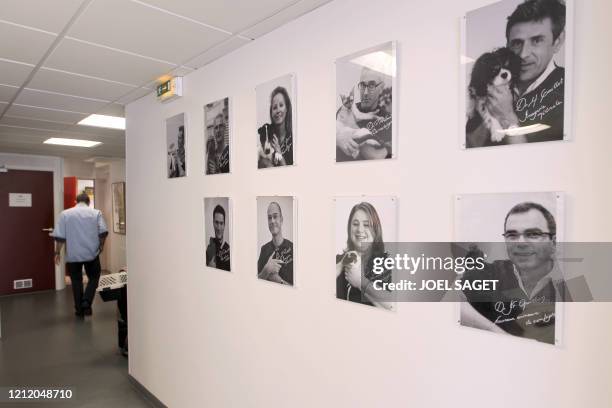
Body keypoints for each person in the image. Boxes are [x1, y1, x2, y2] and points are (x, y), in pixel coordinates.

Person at [461, 202, 566, 344]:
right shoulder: (490, 274)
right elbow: (448, 299)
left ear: (553, 242)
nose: (521, 243)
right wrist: (497, 333)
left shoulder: (572, 283)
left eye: (533, 234)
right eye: (512, 235)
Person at [467, 0, 566, 147]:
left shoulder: (567, 89)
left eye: (537, 40)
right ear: (507, 44)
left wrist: (507, 117)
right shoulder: (494, 79)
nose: (523, 54)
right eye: (517, 43)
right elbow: (469, 143)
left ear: (557, 41)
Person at [53, 193, 108, 317]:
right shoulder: (96, 213)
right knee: (94, 277)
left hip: (73, 254)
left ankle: (79, 310)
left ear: (75, 201)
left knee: (76, 281)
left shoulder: (65, 214)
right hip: (91, 253)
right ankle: (87, 301)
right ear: (88, 202)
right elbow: (103, 232)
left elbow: (60, 237)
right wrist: (101, 246)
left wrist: (57, 252)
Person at [336, 202, 394, 309]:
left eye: (366, 225)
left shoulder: (385, 264)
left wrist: (360, 282)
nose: (360, 230)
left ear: (376, 230)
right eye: (355, 224)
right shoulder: (339, 260)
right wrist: (340, 264)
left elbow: (392, 306)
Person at [336, 66, 392, 161]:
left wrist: (351, 125)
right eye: (362, 85)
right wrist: (336, 139)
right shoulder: (346, 109)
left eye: (371, 86)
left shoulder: (389, 121)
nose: (365, 92)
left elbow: (374, 156)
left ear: (381, 88)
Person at [257, 202, 293, 285]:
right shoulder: (264, 249)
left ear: (281, 219)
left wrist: (279, 281)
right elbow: (256, 279)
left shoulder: (293, 248)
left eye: (275, 216)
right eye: (269, 218)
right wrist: (265, 271)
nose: (272, 221)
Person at [257, 87, 293, 168]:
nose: (278, 110)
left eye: (281, 105)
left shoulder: (293, 138)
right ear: (271, 112)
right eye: (274, 107)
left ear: (287, 108)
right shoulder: (267, 132)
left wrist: (279, 153)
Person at [206, 204, 230, 271]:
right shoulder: (209, 249)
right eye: (216, 222)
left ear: (224, 225)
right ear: (213, 223)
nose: (219, 228)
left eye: (221, 223)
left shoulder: (230, 250)